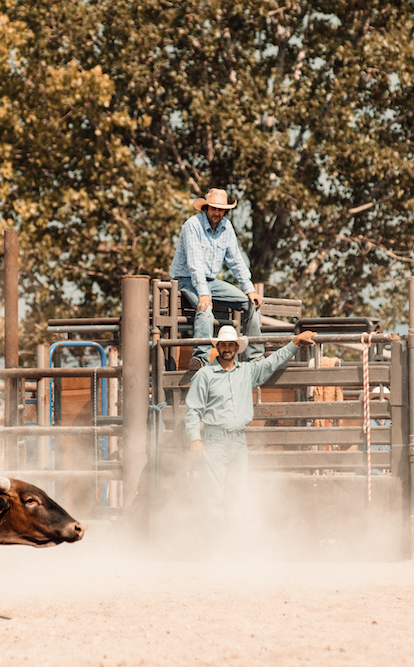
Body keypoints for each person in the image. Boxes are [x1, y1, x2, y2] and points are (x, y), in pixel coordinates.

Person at [184, 325, 316, 543]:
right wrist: (195, 438)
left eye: (230, 344)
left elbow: (272, 362)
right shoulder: (205, 375)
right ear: (217, 346)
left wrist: (295, 342)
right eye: (223, 344)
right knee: (213, 495)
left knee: (236, 493)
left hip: (238, 440)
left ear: (237, 347)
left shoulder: (247, 371)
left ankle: (233, 543)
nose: (226, 348)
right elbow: (193, 410)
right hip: (215, 439)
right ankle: (217, 546)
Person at [170, 188, 263, 370]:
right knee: (205, 309)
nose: (217, 213)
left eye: (221, 210)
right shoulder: (192, 225)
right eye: (214, 208)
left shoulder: (226, 227)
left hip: (210, 281)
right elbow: (195, 263)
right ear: (206, 208)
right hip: (187, 279)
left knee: (250, 304)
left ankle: (255, 357)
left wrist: (250, 289)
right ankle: (201, 359)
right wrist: (204, 294)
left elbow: (236, 260)